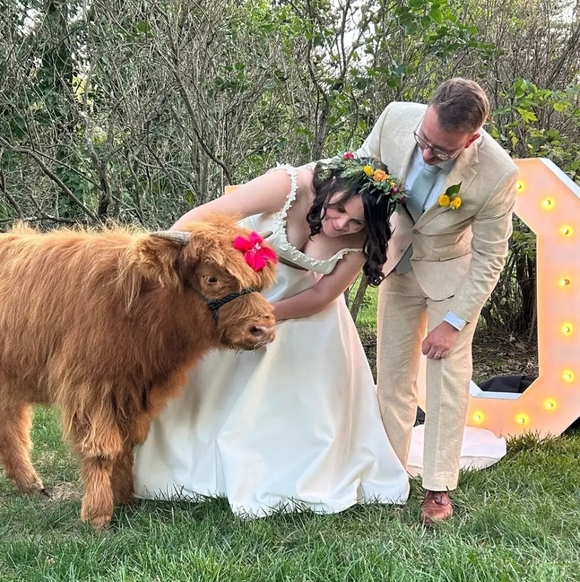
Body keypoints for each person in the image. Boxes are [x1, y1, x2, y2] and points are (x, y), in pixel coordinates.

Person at [133, 156, 410, 515]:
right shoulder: (289, 185)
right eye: (339, 208)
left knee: (299, 364)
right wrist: (169, 261)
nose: (341, 224)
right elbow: (206, 215)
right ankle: (188, 464)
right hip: (239, 289)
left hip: (300, 308)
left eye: (355, 221)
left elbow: (322, 294)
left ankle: (281, 468)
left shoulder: (363, 236)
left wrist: (265, 317)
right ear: (331, 187)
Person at [357, 78, 519, 524]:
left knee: (447, 382)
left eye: (441, 152)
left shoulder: (498, 172)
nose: (427, 155)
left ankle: (438, 486)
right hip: (397, 265)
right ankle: (389, 476)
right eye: (424, 142)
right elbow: (358, 177)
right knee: (392, 376)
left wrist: (453, 322)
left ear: (472, 139)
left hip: (451, 278)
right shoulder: (395, 118)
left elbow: (490, 256)